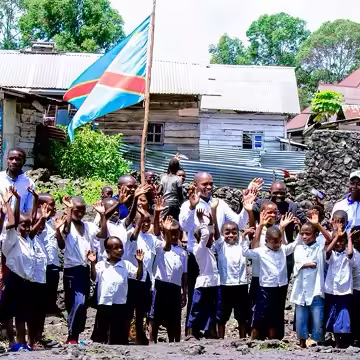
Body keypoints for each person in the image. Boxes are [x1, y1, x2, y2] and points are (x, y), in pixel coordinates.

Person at [179, 172, 253, 334]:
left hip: (216, 255)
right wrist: (192, 207)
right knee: (196, 293)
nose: (209, 187)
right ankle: (192, 331)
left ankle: (210, 330)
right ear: (196, 185)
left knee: (214, 295)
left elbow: (239, 222)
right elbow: (184, 226)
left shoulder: (220, 203)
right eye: (204, 184)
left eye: (210, 183)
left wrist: (246, 207)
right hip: (197, 255)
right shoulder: (188, 204)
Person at [0, 188, 48, 349]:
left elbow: (32, 221)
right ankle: (12, 340)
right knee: (8, 312)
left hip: (25, 281)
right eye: (24, 226)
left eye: (29, 226)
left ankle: (22, 342)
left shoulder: (28, 240)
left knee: (22, 314)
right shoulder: (11, 239)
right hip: (13, 278)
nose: (27, 228)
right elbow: (13, 223)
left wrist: (34, 205)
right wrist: (11, 202)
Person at [58, 196, 106, 344]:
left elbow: (103, 234)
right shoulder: (67, 226)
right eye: (76, 210)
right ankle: (72, 336)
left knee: (82, 304)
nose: (80, 213)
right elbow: (64, 231)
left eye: (82, 210)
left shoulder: (89, 226)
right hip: (71, 271)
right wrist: (69, 209)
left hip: (84, 269)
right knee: (75, 303)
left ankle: (74, 337)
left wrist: (103, 215)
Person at [242, 226, 300, 340]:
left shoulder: (283, 249)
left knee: (277, 313)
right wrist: (244, 238)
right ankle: (257, 337)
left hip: (281, 286)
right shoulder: (260, 251)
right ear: (266, 241)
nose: (277, 245)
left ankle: (274, 338)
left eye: (279, 242)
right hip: (266, 287)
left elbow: (294, 245)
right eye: (274, 243)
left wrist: (299, 229)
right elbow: (245, 253)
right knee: (262, 312)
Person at [213, 196, 255, 339]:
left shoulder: (242, 244)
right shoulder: (220, 245)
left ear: (238, 233)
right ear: (223, 234)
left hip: (241, 285)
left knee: (242, 316)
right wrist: (213, 211)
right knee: (221, 316)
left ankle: (243, 339)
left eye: (234, 232)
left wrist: (249, 211)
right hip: (224, 285)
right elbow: (215, 230)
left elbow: (252, 228)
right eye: (227, 232)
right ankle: (220, 340)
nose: (231, 235)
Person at [89, 236, 144, 345]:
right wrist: (92, 263)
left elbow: (138, 276)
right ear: (107, 251)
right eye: (116, 248)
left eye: (121, 247)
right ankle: (101, 343)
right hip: (104, 302)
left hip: (120, 303)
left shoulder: (125, 264)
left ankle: (118, 345)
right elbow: (94, 277)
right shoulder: (101, 265)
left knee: (118, 329)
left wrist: (140, 263)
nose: (120, 250)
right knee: (102, 328)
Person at [149, 216, 187, 343]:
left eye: (176, 233)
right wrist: (165, 230)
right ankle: (152, 340)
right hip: (161, 285)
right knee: (155, 315)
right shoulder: (160, 246)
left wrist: (184, 292)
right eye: (171, 233)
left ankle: (174, 341)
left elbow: (184, 274)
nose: (174, 236)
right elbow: (165, 245)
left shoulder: (183, 252)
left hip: (175, 288)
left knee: (175, 317)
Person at [290, 220, 326, 348]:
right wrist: (307, 264)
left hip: (316, 286)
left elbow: (314, 262)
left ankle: (318, 340)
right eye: (302, 233)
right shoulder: (298, 248)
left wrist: (318, 225)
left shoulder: (320, 247)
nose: (304, 236)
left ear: (315, 234)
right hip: (301, 288)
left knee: (317, 316)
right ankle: (302, 340)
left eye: (308, 234)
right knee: (301, 316)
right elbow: (300, 263)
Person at [124, 207, 157, 345]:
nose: (145, 223)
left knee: (141, 310)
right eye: (142, 221)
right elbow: (133, 238)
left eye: (147, 221)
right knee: (128, 310)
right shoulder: (131, 233)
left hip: (145, 278)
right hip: (132, 278)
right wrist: (139, 221)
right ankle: (123, 336)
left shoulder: (151, 238)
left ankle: (138, 336)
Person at [186, 207, 219, 339]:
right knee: (196, 307)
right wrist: (201, 220)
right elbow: (205, 234)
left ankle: (208, 331)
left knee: (211, 308)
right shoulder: (198, 249)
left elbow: (208, 234)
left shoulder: (210, 248)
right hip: (203, 283)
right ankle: (191, 331)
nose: (210, 238)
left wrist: (211, 222)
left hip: (213, 282)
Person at [324, 221, 354, 348]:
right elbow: (327, 251)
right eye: (337, 241)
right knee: (333, 314)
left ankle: (343, 341)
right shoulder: (332, 255)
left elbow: (350, 253)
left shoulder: (349, 255)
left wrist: (348, 238)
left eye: (342, 242)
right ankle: (336, 342)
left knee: (343, 314)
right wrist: (335, 237)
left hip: (344, 290)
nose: (339, 244)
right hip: (331, 289)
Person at [351, 226, 360, 344]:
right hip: (354, 288)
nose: (358, 239)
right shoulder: (352, 252)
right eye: (356, 237)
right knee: (354, 314)